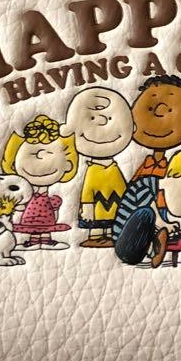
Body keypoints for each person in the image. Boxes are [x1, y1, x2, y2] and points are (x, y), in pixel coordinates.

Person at [62, 86, 134, 247]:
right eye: (93, 118)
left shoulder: (113, 169)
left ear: (132, 127)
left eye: (108, 118)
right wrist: (87, 207)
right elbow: (88, 190)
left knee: (113, 218)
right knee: (97, 222)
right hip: (98, 207)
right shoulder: (92, 170)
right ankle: (95, 237)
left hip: (115, 205)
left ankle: (112, 235)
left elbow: (122, 188)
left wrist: (127, 205)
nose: (101, 121)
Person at [1, 114, 78, 249]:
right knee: (33, 227)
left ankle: (45, 239)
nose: (41, 156)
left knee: (46, 226)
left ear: (68, 165)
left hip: (45, 214)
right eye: (33, 153)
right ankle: (34, 240)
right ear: (13, 164)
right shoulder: (26, 195)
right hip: (31, 214)